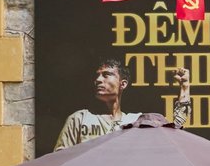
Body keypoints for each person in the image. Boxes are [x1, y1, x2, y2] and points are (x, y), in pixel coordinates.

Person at [55, 58, 190, 149]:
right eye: (97, 76)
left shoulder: (136, 120)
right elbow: (59, 161)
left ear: (123, 84)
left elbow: (174, 135)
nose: (98, 79)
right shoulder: (80, 118)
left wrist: (184, 88)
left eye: (106, 75)